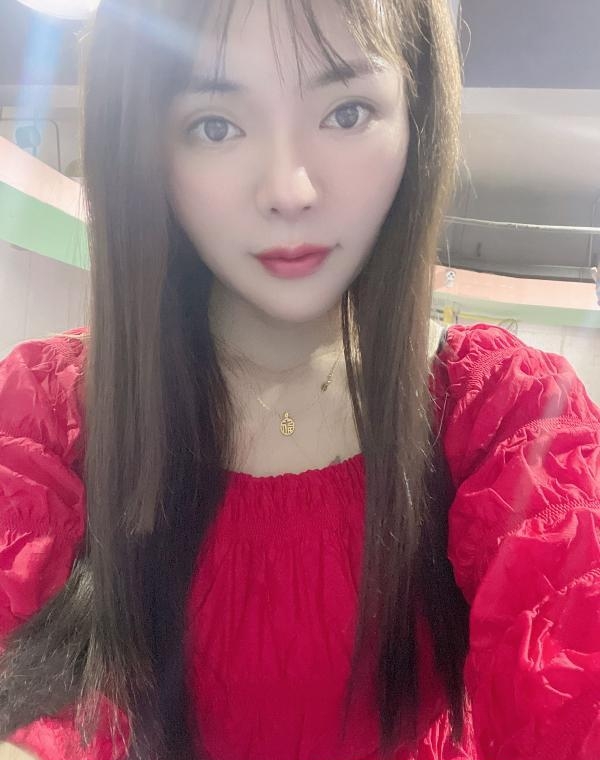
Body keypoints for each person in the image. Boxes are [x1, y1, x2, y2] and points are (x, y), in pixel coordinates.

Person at [1, 0, 599, 758]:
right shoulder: (44, 419)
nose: (290, 189)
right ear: (145, 147)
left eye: (347, 113)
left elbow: (569, 690)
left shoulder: (510, 415)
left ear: (416, 115)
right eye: (215, 125)